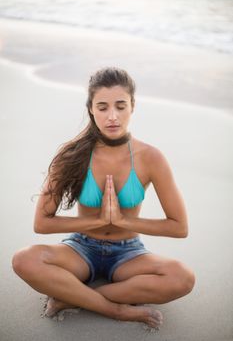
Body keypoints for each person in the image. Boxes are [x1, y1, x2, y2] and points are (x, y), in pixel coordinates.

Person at [12, 67, 195, 329]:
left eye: (121, 106)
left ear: (133, 106)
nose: (112, 116)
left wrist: (123, 221)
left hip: (128, 253)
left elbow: (179, 227)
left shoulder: (151, 158)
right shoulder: (71, 155)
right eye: (102, 107)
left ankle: (72, 298)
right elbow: (42, 223)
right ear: (91, 109)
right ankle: (116, 309)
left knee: (182, 278)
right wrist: (97, 221)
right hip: (80, 249)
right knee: (24, 259)